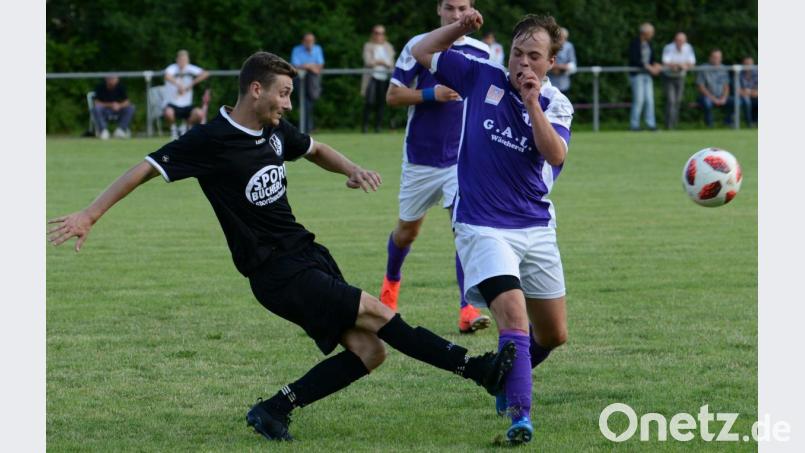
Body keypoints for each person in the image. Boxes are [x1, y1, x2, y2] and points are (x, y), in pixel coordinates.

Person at [47, 51, 514, 443]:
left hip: (306, 253)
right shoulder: (210, 140)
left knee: (371, 353)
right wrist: (90, 214)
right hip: (274, 272)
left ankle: (272, 409)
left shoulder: (273, 131)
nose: (288, 104)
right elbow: (145, 167)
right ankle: (475, 369)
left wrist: (350, 168)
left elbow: (314, 149)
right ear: (256, 90)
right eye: (283, 93)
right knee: (375, 311)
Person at [412, 10, 572, 444]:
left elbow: (554, 155)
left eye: (534, 56)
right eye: (518, 53)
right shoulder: (480, 76)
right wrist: (459, 29)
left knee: (554, 334)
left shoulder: (557, 103)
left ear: (550, 63)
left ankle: (504, 377)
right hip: (482, 223)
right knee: (514, 317)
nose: (523, 63)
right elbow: (421, 50)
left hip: (535, 226)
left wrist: (531, 102)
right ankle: (521, 416)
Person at [383, 0, 492, 334]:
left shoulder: (482, 52)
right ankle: (389, 291)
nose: (456, 15)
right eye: (449, 8)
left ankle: (467, 309)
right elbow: (393, 96)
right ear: (438, 10)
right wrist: (433, 94)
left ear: (472, 10)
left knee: (465, 230)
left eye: (462, 8)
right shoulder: (419, 46)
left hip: (461, 159)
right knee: (407, 232)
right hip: (420, 157)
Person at [163, 50, 210, 140]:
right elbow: (166, 76)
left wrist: (190, 85)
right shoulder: (172, 68)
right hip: (173, 103)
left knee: (199, 113)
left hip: (187, 105)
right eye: (181, 60)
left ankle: (185, 128)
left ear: (188, 60)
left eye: (185, 60)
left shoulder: (190, 68)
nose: (183, 62)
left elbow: (205, 74)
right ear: (177, 60)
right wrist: (179, 85)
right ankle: (174, 130)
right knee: (168, 112)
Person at [627, 23, 662, 131]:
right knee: (639, 100)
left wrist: (656, 65)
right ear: (645, 33)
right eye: (651, 32)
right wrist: (648, 67)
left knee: (650, 100)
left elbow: (651, 59)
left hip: (647, 76)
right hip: (637, 76)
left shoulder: (648, 44)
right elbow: (634, 60)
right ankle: (634, 125)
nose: (652, 34)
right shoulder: (635, 43)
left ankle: (651, 124)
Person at [361, 25, 395, 133]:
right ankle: (365, 127)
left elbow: (391, 63)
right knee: (369, 102)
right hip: (372, 78)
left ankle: (378, 127)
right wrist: (382, 62)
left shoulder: (388, 46)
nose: (378, 35)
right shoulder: (368, 46)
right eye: (376, 33)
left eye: (381, 33)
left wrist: (379, 62)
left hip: (384, 78)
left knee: (381, 103)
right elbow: (368, 61)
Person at [291, 32, 325, 133]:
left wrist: (307, 66)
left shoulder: (317, 49)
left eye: (311, 41)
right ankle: (306, 128)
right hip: (300, 80)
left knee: (309, 103)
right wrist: (310, 66)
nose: (309, 43)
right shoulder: (297, 49)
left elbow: (320, 65)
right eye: (307, 41)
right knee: (304, 103)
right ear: (303, 41)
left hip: (312, 80)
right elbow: (295, 64)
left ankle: (307, 127)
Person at [661, 32, 696, 130]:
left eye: (682, 41)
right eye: (678, 40)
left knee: (678, 101)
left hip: (680, 77)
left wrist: (679, 65)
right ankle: (668, 125)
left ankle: (675, 124)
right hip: (669, 77)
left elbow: (692, 63)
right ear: (675, 40)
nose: (680, 43)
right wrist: (680, 65)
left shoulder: (688, 48)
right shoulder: (668, 48)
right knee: (671, 101)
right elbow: (666, 62)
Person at [696, 49, 730, 128]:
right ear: (710, 58)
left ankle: (727, 123)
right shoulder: (703, 68)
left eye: (718, 57)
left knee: (736, 102)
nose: (716, 59)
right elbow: (701, 87)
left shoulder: (724, 68)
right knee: (707, 103)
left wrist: (724, 98)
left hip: (721, 97)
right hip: (707, 96)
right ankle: (710, 126)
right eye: (714, 57)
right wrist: (713, 98)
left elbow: (726, 86)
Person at [547, 27, 576, 94]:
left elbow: (573, 66)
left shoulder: (569, 46)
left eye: (563, 38)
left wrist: (557, 67)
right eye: (559, 37)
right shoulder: (549, 46)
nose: (561, 40)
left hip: (564, 85)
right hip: (550, 84)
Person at [738, 56, 758, 127]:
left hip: (754, 95)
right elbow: (738, 90)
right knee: (746, 101)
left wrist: (750, 92)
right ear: (743, 64)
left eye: (750, 63)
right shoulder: (738, 74)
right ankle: (749, 124)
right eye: (746, 63)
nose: (748, 65)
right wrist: (747, 93)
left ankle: (756, 123)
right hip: (743, 96)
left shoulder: (757, 73)